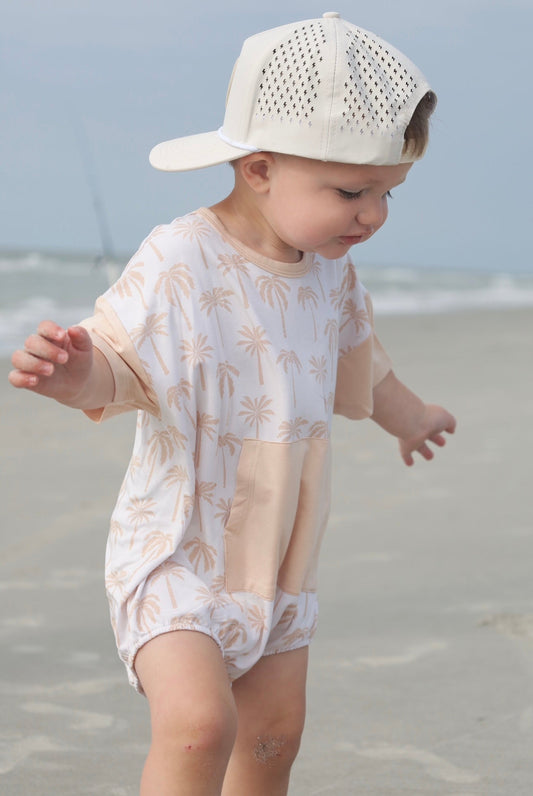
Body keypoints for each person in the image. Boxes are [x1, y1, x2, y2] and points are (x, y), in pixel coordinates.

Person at [9, 12, 456, 796]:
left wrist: (411, 418)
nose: (373, 215)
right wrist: (68, 374)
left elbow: (362, 366)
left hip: (280, 561)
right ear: (258, 169)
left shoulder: (330, 275)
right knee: (198, 726)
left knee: (274, 739)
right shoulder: (181, 256)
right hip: (177, 546)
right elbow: (118, 365)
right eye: (351, 191)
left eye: (389, 193)